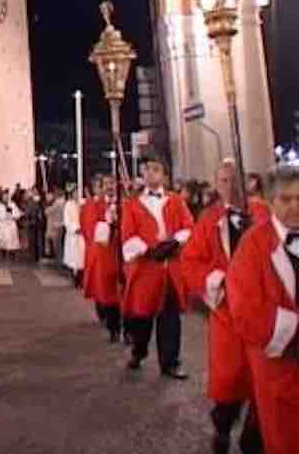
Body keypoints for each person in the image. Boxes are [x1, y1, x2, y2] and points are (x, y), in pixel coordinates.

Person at [181, 161, 269, 454]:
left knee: (263, 382)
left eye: (233, 179)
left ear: (246, 182)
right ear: (216, 184)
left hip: (260, 312)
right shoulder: (208, 219)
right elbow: (191, 261)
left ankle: (254, 439)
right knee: (229, 382)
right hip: (227, 314)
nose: (229, 186)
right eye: (223, 181)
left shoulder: (263, 214)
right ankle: (222, 427)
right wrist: (216, 280)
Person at [227, 164, 299, 454]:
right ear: (270, 202)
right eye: (286, 199)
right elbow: (245, 308)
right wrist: (294, 332)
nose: (295, 206)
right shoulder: (253, 245)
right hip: (280, 362)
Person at [121, 157, 193, 378]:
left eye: (156, 169)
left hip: (169, 267)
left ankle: (170, 362)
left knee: (170, 316)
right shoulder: (132, 204)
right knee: (142, 316)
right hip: (145, 267)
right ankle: (138, 350)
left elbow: (188, 226)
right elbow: (128, 234)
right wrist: (148, 251)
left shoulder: (176, 201)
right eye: (147, 169)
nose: (151, 173)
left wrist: (175, 242)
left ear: (164, 175)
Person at [81, 175, 123, 343]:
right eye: (106, 184)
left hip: (123, 254)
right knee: (109, 293)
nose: (109, 187)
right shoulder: (94, 205)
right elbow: (91, 229)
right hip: (105, 254)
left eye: (112, 183)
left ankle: (127, 328)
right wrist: (109, 225)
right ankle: (114, 328)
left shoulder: (124, 203)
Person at [63, 191, 86, 286]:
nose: (77, 194)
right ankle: (75, 278)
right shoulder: (68, 204)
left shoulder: (83, 202)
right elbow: (67, 220)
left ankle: (82, 278)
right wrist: (75, 228)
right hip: (73, 235)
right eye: (75, 192)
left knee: (82, 258)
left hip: (83, 234)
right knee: (75, 259)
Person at [0, 192, 21, 259]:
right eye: (4, 197)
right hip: (2, 224)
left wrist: (13, 216)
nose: (5, 198)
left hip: (11, 224)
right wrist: (4, 216)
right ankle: (3, 253)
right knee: (3, 239)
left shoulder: (12, 204)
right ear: (1, 197)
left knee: (12, 239)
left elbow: (17, 213)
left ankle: (12, 254)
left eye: (7, 196)